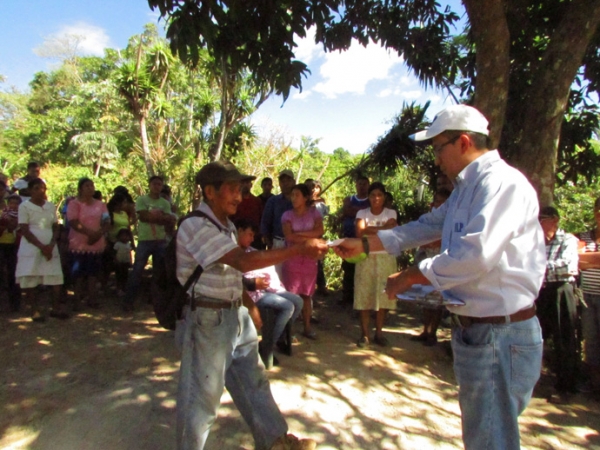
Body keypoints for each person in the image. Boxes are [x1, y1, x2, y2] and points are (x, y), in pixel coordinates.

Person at [333, 105, 546, 450]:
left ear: (462, 142)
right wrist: (366, 243)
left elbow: (475, 256)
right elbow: (427, 226)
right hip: (479, 331)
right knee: (484, 435)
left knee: (490, 440)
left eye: (437, 148)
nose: (435, 159)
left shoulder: (501, 184)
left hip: (500, 333)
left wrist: (414, 275)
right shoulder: (466, 188)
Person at [175, 160, 325, 450]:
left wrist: (248, 307)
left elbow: (233, 273)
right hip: (207, 319)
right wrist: (300, 248)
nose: (239, 196)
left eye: (240, 189)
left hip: (233, 315)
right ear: (210, 191)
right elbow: (242, 261)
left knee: (255, 381)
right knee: (202, 398)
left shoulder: (227, 226)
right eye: (232, 189)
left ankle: (276, 442)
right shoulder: (195, 225)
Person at [236, 219, 303, 365]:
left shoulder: (251, 251)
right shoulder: (232, 253)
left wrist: (271, 283)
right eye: (249, 234)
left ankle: (277, 337)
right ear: (239, 231)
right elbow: (233, 281)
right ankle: (266, 345)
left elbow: (266, 268)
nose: (252, 239)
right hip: (250, 296)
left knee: (297, 301)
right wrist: (254, 283)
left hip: (264, 290)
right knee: (287, 306)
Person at [535, 206, 581, 404]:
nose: (539, 223)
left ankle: (566, 387)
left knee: (565, 338)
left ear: (554, 220)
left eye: (542, 219)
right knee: (536, 336)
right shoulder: (536, 241)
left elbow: (567, 266)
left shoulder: (567, 239)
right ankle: (531, 381)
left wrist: (538, 267)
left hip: (562, 291)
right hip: (542, 291)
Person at [15, 178, 69, 321]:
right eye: (37, 188)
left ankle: (55, 308)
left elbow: (55, 226)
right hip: (31, 246)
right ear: (30, 190)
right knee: (31, 277)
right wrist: (41, 246)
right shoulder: (24, 207)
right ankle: (35, 310)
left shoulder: (50, 206)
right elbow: (25, 230)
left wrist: (51, 245)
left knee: (55, 277)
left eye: (43, 188)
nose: (41, 191)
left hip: (50, 245)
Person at [354, 182, 398, 347]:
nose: (376, 198)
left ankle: (379, 333)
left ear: (384, 196)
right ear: (368, 197)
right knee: (364, 295)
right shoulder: (361, 212)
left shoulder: (391, 212)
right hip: (365, 257)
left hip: (385, 258)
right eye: (372, 195)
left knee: (383, 296)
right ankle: (364, 335)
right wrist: (382, 229)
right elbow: (359, 232)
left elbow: (392, 229)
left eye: (379, 195)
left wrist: (368, 228)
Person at [124, 176, 176, 311]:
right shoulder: (142, 200)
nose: (157, 186)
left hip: (160, 240)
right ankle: (128, 301)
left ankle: (154, 300)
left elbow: (170, 220)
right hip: (144, 240)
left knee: (158, 272)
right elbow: (143, 216)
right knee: (137, 271)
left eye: (159, 184)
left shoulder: (165, 203)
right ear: (150, 185)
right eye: (154, 184)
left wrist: (154, 217)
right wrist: (161, 218)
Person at [411, 182, 453, 347]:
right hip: (425, 259)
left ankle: (432, 333)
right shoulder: (431, 217)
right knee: (425, 299)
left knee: (437, 301)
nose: (439, 205)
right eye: (437, 202)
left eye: (443, 202)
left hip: (440, 261)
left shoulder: (451, 219)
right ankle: (425, 330)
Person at [281, 184, 323, 340]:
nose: (293, 198)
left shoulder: (315, 213)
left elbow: (320, 231)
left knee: (306, 295)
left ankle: (306, 327)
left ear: (306, 197)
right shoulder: (287, 215)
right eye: (292, 195)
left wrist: (300, 235)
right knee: (291, 295)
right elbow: (289, 237)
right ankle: (288, 330)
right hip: (291, 258)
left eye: (297, 194)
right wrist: (310, 238)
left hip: (310, 259)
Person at [67, 177, 110, 310]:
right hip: (78, 244)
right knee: (78, 274)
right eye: (87, 186)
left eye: (92, 185)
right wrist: (90, 233)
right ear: (80, 188)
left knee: (93, 273)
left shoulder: (101, 205)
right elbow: (73, 221)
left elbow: (107, 220)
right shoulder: (74, 204)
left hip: (96, 244)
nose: (90, 188)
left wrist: (99, 233)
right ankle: (77, 301)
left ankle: (92, 299)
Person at [577, 196, 600, 393]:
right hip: (586, 297)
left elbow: (584, 260)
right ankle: (593, 384)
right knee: (590, 340)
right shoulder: (584, 236)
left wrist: (587, 259)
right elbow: (574, 260)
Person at [340, 176, 369, 304]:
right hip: (348, 238)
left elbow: (368, 214)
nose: (362, 186)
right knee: (348, 269)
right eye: (359, 183)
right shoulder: (349, 199)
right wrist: (362, 212)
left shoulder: (370, 201)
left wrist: (355, 211)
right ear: (356, 185)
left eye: (364, 183)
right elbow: (346, 210)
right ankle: (347, 297)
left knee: (363, 270)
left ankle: (361, 298)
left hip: (365, 241)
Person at [260, 170, 294, 276]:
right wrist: (268, 241)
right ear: (279, 183)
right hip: (278, 242)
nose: (285, 183)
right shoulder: (273, 201)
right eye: (282, 181)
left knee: (293, 276)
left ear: (294, 181)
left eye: (288, 180)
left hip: (297, 244)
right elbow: (265, 221)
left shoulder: (300, 200)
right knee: (277, 276)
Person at [305, 179, 329, 294]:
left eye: (316, 187)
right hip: (304, 235)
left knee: (318, 261)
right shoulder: (302, 202)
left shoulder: (321, 202)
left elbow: (325, 218)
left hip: (318, 234)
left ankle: (321, 286)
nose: (313, 189)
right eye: (310, 187)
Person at [0, 193, 22, 311]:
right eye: (11, 203)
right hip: (2, 243)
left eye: (16, 203)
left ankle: (15, 303)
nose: (13, 205)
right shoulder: (4, 212)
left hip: (14, 245)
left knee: (13, 273)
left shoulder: (22, 214)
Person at [231, 178, 264, 248]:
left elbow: (262, 218)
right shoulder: (235, 201)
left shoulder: (256, 201)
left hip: (255, 237)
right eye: (243, 183)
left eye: (247, 183)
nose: (245, 185)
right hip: (238, 235)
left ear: (251, 185)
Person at [113, 228, 134, 296]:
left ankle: (124, 288)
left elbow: (129, 253)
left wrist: (130, 261)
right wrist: (116, 260)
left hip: (126, 262)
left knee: (125, 275)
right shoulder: (117, 244)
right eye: (123, 236)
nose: (125, 237)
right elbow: (114, 253)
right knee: (118, 276)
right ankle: (118, 289)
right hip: (119, 263)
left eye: (126, 236)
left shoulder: (128, 244)